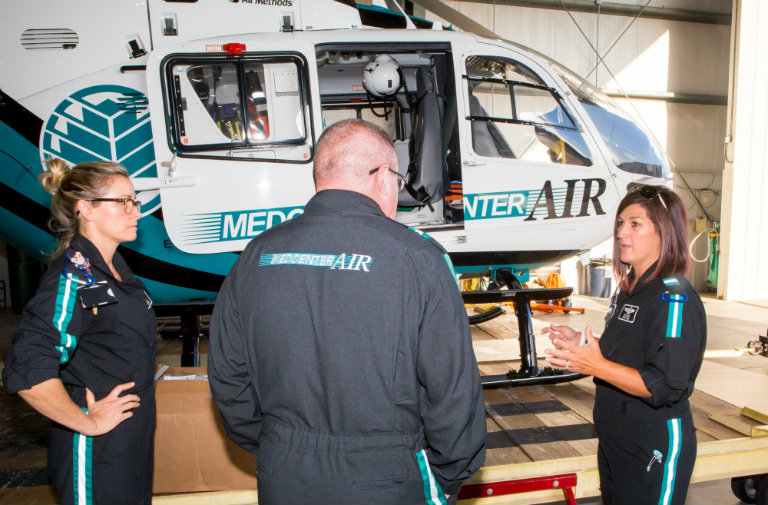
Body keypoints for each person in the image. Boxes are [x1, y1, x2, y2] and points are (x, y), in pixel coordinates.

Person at [208, 119, 486, 505]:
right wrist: (451, 474)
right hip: (387, 476)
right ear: (383, 177)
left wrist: (280, 443)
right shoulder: (417, 258)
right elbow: (452, 388)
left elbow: (227, 377)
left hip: (284, 473)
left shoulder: (256, 254)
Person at [3, 159, 157, 505]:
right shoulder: (72, 279)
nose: (135, 212)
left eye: (134, 201)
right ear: (85, 209)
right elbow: (27, 370)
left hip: (129, 443)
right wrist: (89, 424)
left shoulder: (116, 276)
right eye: (123, 202)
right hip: (94, 450)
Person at [544, 184, 706, 505]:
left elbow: (665, 385)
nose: (621, 233)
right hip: (616, 441)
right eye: (620, 223)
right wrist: (584, 344)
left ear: (664, 231)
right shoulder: (629, 288)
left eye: (635, 224)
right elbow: (629, 354)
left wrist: (597, 365)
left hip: (653, 445)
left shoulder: (674, 298)